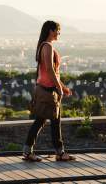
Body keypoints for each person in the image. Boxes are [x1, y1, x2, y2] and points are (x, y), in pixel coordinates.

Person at [22, 20, 76, 162]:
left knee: (43, 121)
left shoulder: (44, 46)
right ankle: (58, 153)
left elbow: (53, 72)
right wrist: (59, 88)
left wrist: (62, 86)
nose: (59, 33)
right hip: (48, 91)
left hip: (45, 89)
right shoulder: (47, 46)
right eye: (58, 30)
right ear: (51, 31)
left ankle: (30, 151)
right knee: (49, 122)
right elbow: (50, 70)